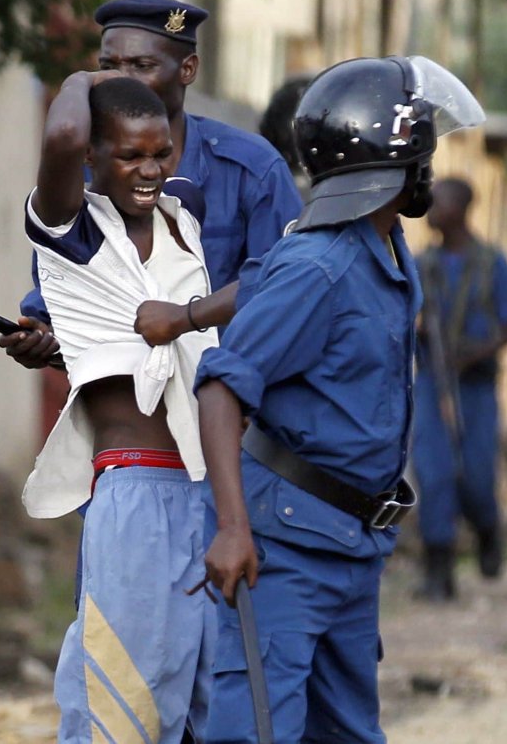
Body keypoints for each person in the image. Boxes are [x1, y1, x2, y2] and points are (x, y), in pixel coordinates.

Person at [191, 56, 484, 743]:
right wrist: (232, 529)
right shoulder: (320, 266)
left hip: (350, 542)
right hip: (284, 546)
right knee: (256, 732)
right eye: (421, 147)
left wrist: (184, 313)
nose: (428, 164)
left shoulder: (383, 247)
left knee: (349, 732)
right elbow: (219, 388)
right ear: (388, 159)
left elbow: (256, 282)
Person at [23, 71, 219, 742]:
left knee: (198, 695)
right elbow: (63, 131)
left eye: (160, 152)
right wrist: (85, 75)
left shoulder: (182, 226)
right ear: (92, 160)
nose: (149, 169)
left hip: (205, 488)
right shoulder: (71, 229)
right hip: (135, 490)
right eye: (129, 154)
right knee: (121, 698)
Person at [2, 0, 303, 369]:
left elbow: (287, 290)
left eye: (141, 65)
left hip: (227, 405)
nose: (121, 81)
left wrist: (188, 323)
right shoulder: (88, 170)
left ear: (188, 69)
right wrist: (42, 334)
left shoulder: (252, 168)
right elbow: (56, 291)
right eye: (108, 67)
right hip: (117, 408)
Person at [412, 177, 507, 601]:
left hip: (475, 384)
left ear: (462, 206)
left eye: (439, 203)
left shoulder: (492, 262)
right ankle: (439, 571)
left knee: (476, 473)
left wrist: (470, 355)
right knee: (433, 472)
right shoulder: (422, 263)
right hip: (430, 379)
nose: (431, 210)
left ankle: (487, 528)